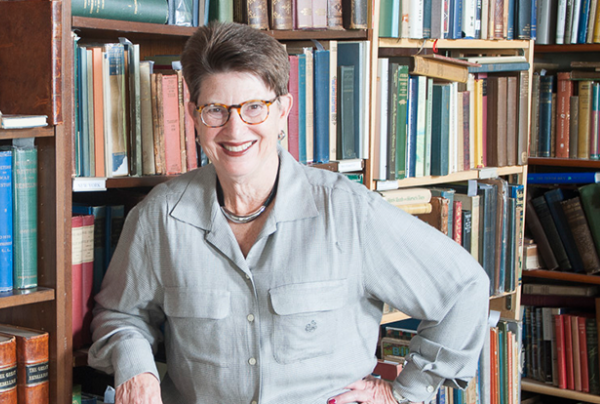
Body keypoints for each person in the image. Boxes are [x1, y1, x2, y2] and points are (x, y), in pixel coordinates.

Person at [86, 21, 490, 404]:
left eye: (254, 108)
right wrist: (135, 370)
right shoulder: (160, 216)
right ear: (194, 117)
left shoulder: (348, 212)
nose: (235, 128)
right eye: (216, 110)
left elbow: (464, 290)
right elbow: (121, 314)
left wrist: (403, 391)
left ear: (283, 111)